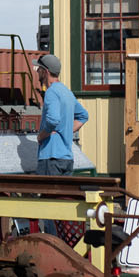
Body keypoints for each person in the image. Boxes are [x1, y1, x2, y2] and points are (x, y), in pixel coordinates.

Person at [34, 52, 87, 236]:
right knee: (62, 207)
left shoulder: (51, 93)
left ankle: (52, 248)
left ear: (45, 71)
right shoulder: (67, 92)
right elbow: (83, 116)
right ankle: (65, 245)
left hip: (50, 157)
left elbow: (53, 119)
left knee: (48, 207)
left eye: (38, 69)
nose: (37, 72)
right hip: (66, 158)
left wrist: (42, 135)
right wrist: (67, 131)